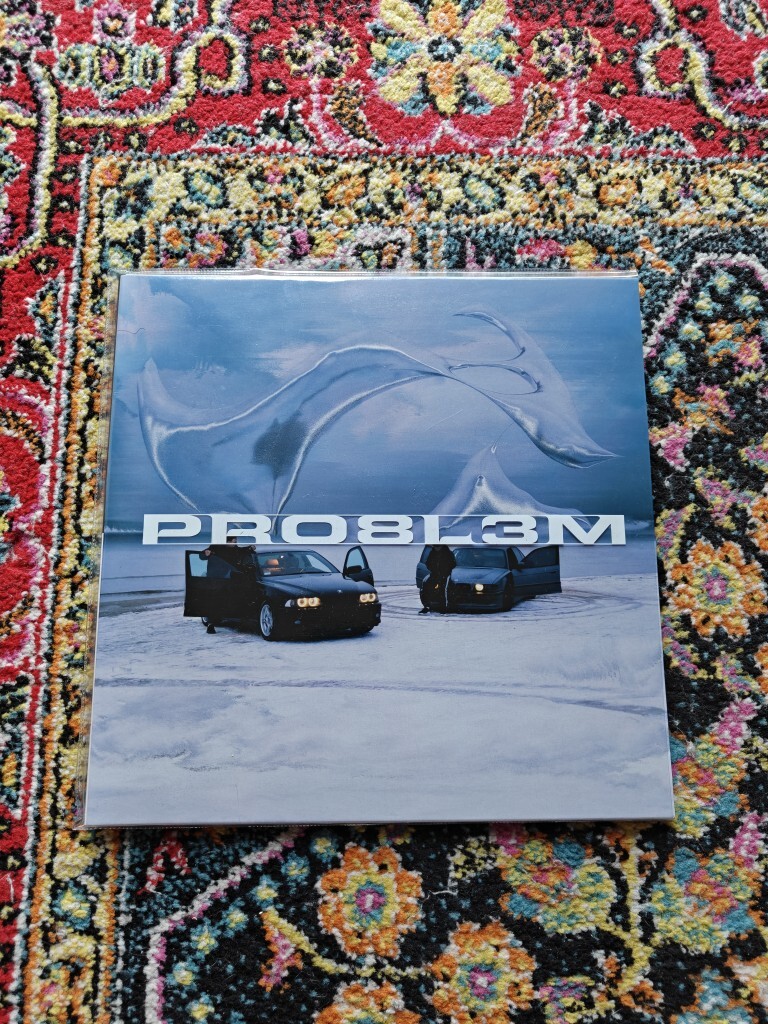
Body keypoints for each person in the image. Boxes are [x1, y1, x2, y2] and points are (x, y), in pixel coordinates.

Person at [421, 545, 456, 613]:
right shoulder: (432, 553)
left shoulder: (448, 553)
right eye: (435, 546)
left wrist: (446, 571)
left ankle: (443, 607)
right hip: (434, 574)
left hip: (445, 575)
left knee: (442, 590)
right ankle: (427, 606)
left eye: (438, 546)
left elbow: (453, 564)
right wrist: (433, 569)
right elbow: (428, 563)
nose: (436, 548)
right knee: (427, 589)